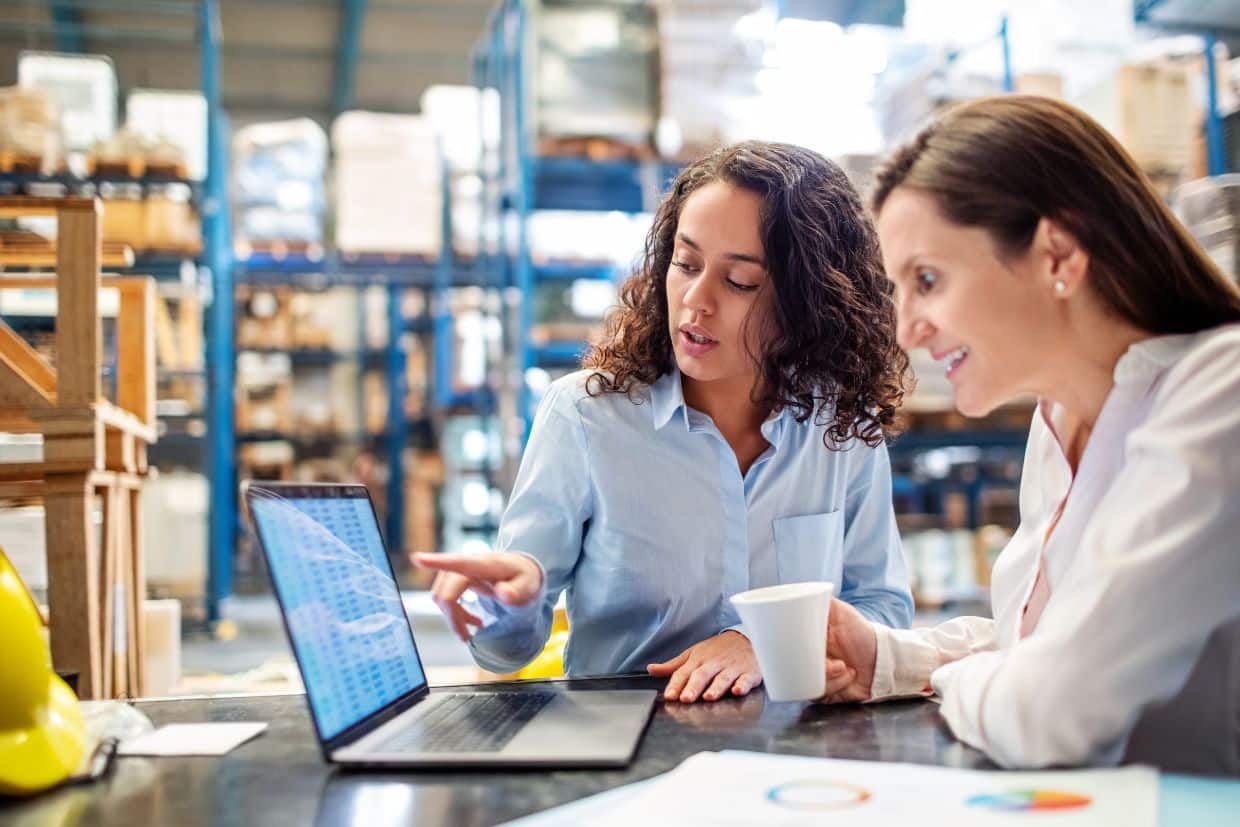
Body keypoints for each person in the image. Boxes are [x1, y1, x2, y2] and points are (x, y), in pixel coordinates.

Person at [819, 95, 1240, 775]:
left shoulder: (1221, 392)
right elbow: (1044, 644)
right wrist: (886, 656)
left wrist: (955, 680)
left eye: (927, 279)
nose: (907, 329)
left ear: (1058, 254)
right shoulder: (1059, 421)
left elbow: (1049, 708)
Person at [416, 141, 914, 704]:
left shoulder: (842, 429)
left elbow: (884, 610)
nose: (696, 301)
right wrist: (513, 604)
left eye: (740, 281)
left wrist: (760, 642)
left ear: (809, 301)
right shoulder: (585, 416)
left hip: (793, 751)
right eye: (686, 263)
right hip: (627, 747)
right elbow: (505, 653)